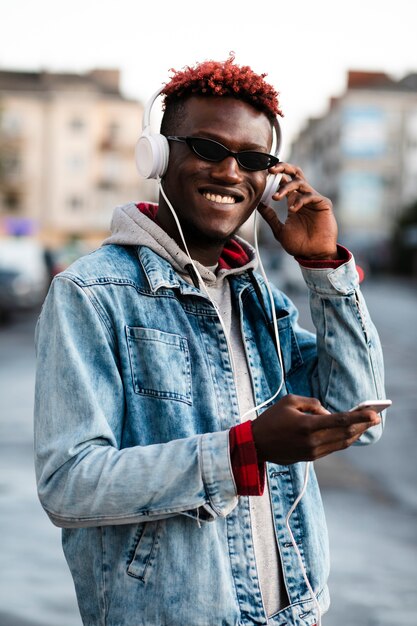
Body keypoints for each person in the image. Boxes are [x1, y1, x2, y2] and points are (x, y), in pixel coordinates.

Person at [34, 56, 387, 626]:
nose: (229, 172)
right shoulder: (92, 294)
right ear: (158, 155)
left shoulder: (262, 302)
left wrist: (323, 266)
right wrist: (242, 450)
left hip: (296, 613)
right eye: (206, 148)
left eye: (252, 160)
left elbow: (358, 416)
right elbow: (69, 485)